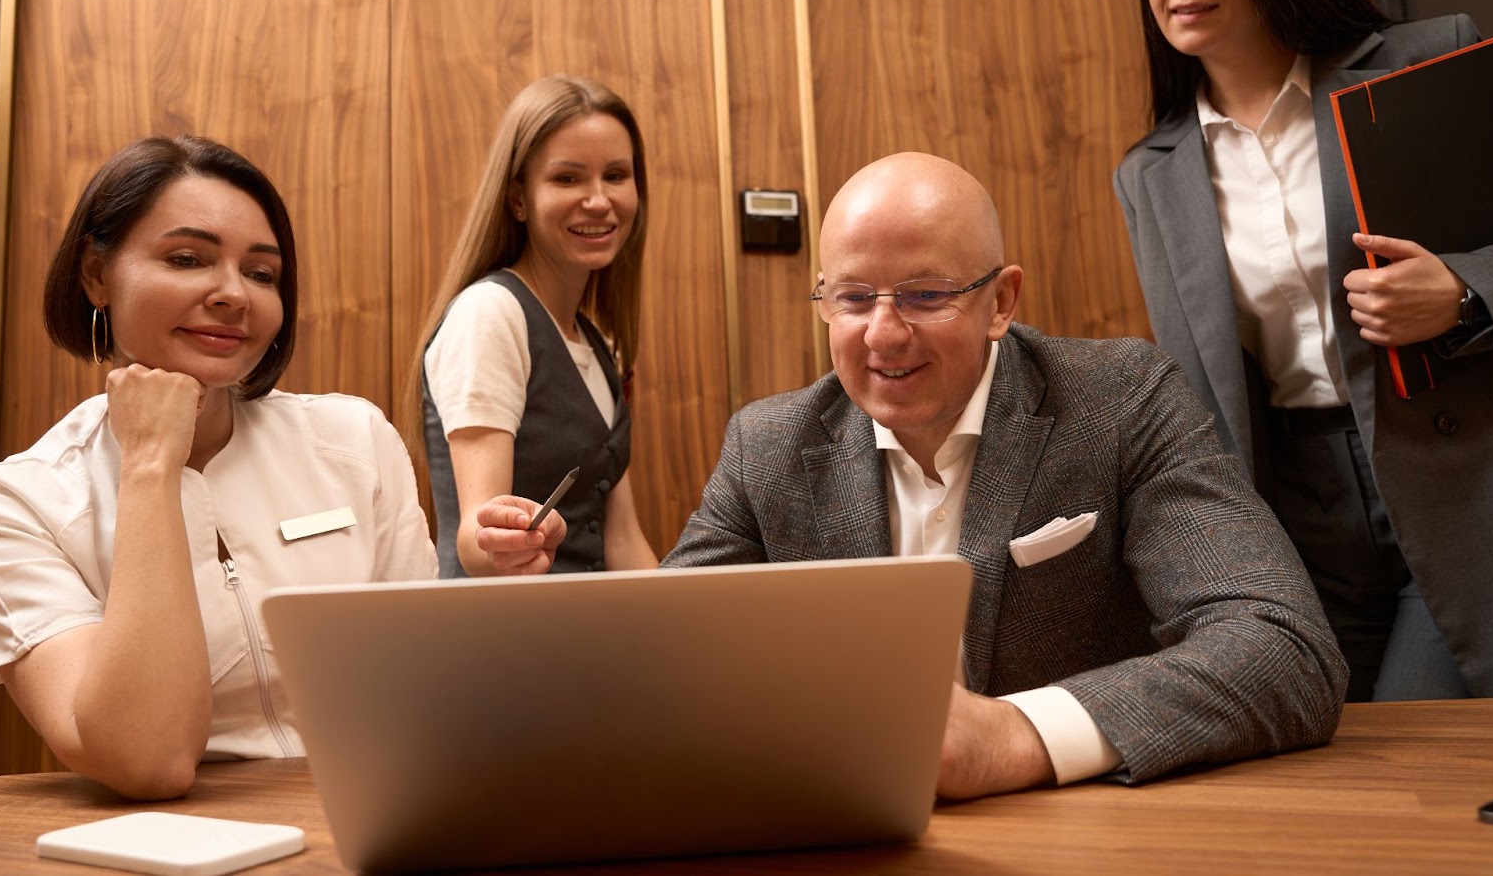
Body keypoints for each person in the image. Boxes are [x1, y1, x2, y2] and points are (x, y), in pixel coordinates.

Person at [477, 152, 1347, 799]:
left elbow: (1285, 648)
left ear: (1002, 300)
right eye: (852, 299)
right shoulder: (769, 446)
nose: (882, 335)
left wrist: (1016, 736)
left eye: (925, 296)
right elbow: (664, 659)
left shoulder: (1121, 402)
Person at [1113, 0, 1493, 702]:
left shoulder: (1421, 63)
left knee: (1427, 755)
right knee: (1323, 764)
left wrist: (1461, 293)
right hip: (1293, 516)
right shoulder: (1149, 175)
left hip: (1459, 476)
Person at [0, 136, 438, 800]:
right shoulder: (12, 505)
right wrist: (151, 467)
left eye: (263, 273)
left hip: (378, 807)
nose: (235, 295)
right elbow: (144, 761)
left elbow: (428, 688)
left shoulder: (353, 439)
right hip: (174, 841)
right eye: (188, 259)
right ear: (97, 274)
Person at [414, 75, 657, 577]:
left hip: (586, 635)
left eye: (615, 175)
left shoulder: (598, 343)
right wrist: (506, 543)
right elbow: (475, 543)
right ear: (518, 199)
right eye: (568, 178)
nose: (598, 200)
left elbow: (624, 539)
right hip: (506, 640)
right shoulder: (490, 315)